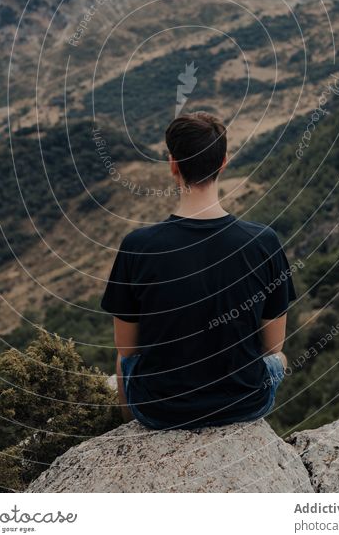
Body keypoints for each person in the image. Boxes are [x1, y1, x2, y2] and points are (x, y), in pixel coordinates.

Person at [101, 111, 296, 429]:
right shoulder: (264, 242)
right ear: (224, 162)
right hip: (244, 403)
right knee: (280, 361)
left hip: (159, 410)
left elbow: (127, 348)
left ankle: (132, 432)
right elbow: (272, 347)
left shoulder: (137, 246)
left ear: (173, 165)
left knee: (123, 363)